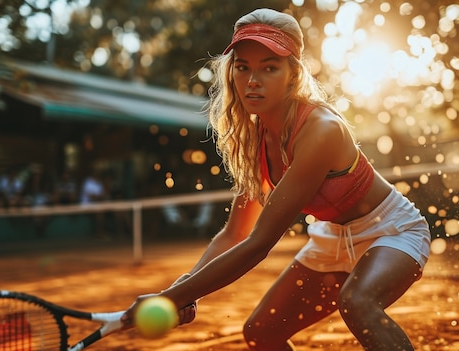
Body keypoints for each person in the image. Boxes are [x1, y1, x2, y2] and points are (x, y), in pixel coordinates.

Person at [123, 8, 431, 351]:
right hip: (331, 238)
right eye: (243, 67)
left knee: (357, 303)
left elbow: (259, 243)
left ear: (292, 74)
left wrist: (170, 297)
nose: (253, 80)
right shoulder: (254, 138)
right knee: (262, 332)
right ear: (231, 73)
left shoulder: (320, 130)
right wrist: (187, 287)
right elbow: (235, 233)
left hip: (390, 230)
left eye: (270, 67)